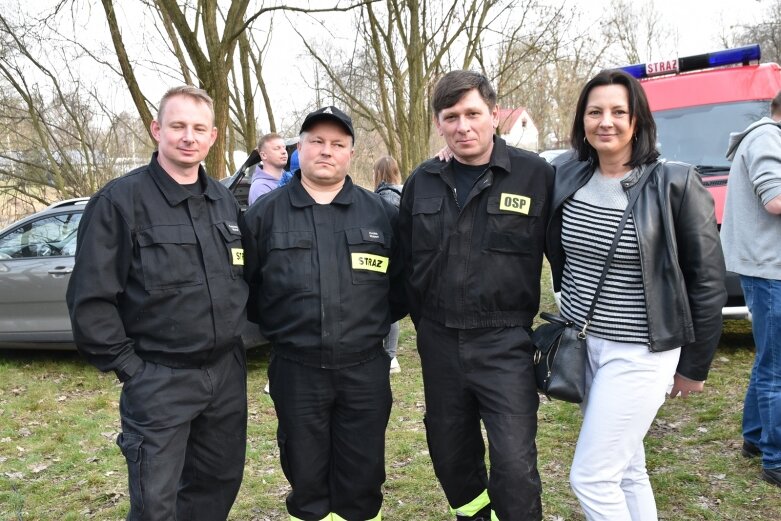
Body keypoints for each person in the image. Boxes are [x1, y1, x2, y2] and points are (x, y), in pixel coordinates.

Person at [547, 69, 726, 519]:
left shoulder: (676, 183)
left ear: (637, 120)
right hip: (583, 345)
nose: (605, 121)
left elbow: (707, 283)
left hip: (641, 353)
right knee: (627, 468)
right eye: (594, 112)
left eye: (618, 112)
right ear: (581, 120)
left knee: (591, 476)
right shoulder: (565, 175)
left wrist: (693, 365)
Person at [65, 86, 249, 521]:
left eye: (198, 128)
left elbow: (243, 280)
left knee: (216, 490)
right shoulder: (119, 202)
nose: (188, 136)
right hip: (159, 380)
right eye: (178, 126)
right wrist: (133, 371)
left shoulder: (223, 201)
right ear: (156, 130)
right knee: (155, 506)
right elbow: (90, 300)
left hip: (224, 378)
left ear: (213, 136)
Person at [398, 70, 553, 521]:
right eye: (451, 117)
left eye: (472, 114)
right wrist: (423, 324)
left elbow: (566, 251)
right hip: (440, 341)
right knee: (450, 453)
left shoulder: (535, 175)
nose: (463, 126)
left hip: (504, 342)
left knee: (513, 463)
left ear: (494, 115)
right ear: (438, 123)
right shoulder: (422, 181)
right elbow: (405, 262)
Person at [241, 106, 406, 521]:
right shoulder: (264, 214)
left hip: (364, 369)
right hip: (297, 369)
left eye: (337, 144)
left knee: (363, 476)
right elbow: (249, 289)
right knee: (306, 476)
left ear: (351, 153)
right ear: (300, 149)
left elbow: (401, 288)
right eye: (316, 142)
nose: (326, 151)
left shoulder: (381, 214)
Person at [721, 90, 781, 488]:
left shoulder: (765, 136)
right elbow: (775, 200)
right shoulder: (767, 138)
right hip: (769, 268)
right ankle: (776, 459)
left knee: (769, 359)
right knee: (777, 368)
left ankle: (756, 439)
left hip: (764, 266)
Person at [373, 155, 404, 374]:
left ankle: (391, 355)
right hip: (400, 254)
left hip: (389, 255)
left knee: (386, 305)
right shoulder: (405, 191)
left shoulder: (385, 197)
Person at [248, 132, 289, 205]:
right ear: (263, 155)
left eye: (284, 148)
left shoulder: (290, 179)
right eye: (277, 148)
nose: (284, 152)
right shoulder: (260, 188)